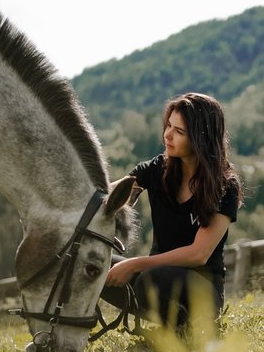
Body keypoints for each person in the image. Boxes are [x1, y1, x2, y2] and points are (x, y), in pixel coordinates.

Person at [101, 92, 243, 331]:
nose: (167, 135)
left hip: (202, 293)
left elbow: (199, 254)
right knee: (92, 263)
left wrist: (135, 264)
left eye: (179, 131)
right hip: (155, 280)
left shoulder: (224, 186)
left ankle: (184, 332)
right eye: (168, 125)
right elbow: (111, 197)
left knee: (151, 278)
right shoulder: (156, 170)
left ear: (201, 138)